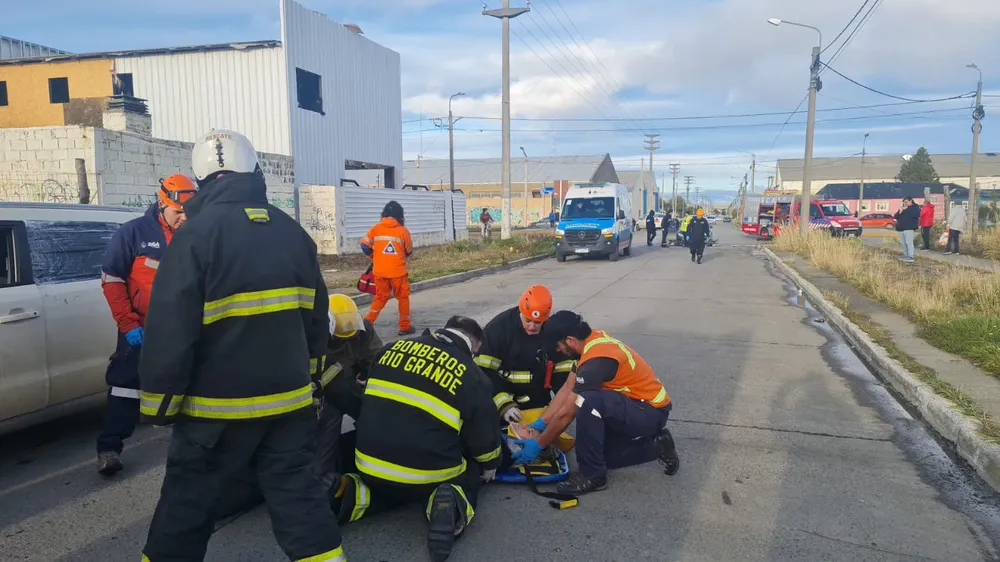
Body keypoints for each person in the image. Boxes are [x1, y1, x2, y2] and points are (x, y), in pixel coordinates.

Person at [138, 129, 345, 562]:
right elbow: (314, 323)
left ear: (200, 178)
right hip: (288, 407)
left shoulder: (193, 238)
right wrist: (308, 378)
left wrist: (159, 405)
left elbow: (170, 332)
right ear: (254, 170)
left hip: (213, 416)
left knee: (185, 512)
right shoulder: (294, 235)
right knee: (301, 505)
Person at [333, 316, 502, 562]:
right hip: (427, 475)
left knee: (385, 484)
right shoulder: (471, 373)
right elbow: (483, 439)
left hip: (368, 463)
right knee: (468, 470)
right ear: (474, 347)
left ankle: (350, 495)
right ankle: (450, 505)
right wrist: (490, 465)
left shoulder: (391, 349)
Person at [512, 311, 678, 496]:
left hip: (649, 412)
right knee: (602, 456)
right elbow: (568, 387)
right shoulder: (590, 342)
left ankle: (592, 477)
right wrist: (542, 422)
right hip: (634, 406)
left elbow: (567, 412)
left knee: (586, 401)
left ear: (570, 340)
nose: (558, 351)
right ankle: (657, 446)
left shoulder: (596, 361)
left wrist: (539, 443)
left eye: (559, 346)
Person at [96, 174, 197, 476]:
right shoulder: (134, 233)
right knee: (125, 388)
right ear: (162, 202)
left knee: (190, 387)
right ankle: (109, 448)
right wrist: (128, 325)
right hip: (139, 329)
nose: (183, 217)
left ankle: (193, 450)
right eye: (178, 211)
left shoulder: (196, 235)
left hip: (183, 330)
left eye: (188, 212)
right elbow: (112, 280)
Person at [474, 285, 574, 424]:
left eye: (537, 322)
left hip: (538, 402)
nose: (532, 326)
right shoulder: (499, 329)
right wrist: (504, 405)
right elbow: (483, 371)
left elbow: (562, 372)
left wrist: (561, 404)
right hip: (504, 401)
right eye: (527, 320)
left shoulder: (552, 332)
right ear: (521, 311)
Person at [363, 201, 415, 336]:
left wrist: (373, 256)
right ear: (400, 215)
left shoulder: (375, 229)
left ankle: (367, 322)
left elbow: (364, 246)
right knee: (403, 298)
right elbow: (408, 250)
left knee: (380, 297)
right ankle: (404, 327)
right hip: (398, 272)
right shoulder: (403, 231)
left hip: (380, 272)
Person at [894, 196, 921, 263]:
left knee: (909, 242)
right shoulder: (903, 209)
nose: (905, 203)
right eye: (904, 202)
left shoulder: (915, 207)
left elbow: (916, 215)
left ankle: (910, 256)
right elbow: (895, 217)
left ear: (911, 201)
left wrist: (907, 209)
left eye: (906, 202)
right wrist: (900, 211)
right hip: (901, 228)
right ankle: (905, 255)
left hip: (909, 228)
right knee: (903, 243)